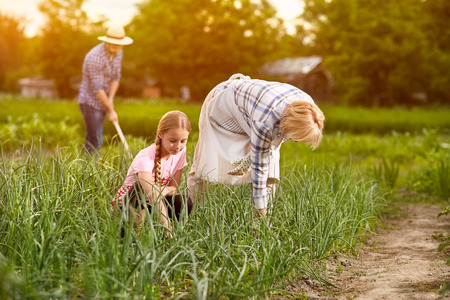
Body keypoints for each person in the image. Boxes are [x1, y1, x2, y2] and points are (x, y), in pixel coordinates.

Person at [187, 74, 325, 217]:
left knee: (270, 173)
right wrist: (260, 209)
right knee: (203, 166)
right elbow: (259, 170)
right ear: (288, 125)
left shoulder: (308, 105)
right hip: (222, 106)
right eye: (297, 137)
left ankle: (261, 227)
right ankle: (190, 216)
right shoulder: (265, 122)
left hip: (252, 110)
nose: (296, 142)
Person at [112, 111, 193, 238]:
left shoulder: (180, 152)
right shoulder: (145, 158)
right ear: (160, 134)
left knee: (184, 201)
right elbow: (151, 195)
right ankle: (132, 230)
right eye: (173, 140)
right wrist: (168, 229)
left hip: (153, 205)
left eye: (183, 141)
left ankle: (155, 230)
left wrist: (160, 190)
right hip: (128, 206)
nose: (178, 146)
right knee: (141, 188)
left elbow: (173, 188)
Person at [78, 24, 133, 154]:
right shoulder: (94, 57)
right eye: (114, 46)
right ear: (107, 42)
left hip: (105, 100)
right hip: (90, 102)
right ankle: (90, 170)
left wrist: (111, 100)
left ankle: (82, 166)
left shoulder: (118, 52)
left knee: (92, 138)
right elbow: (97, 89)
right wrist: (111, 110)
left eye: (120, 46)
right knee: (96, 140)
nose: (117, 49)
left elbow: (115, 77)